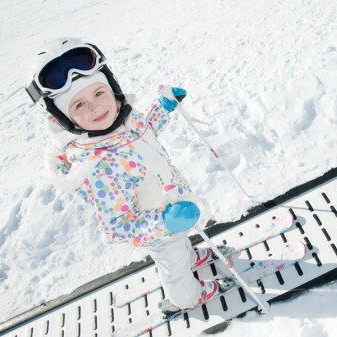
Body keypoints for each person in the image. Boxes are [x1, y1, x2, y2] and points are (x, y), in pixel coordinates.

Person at [25, 37, 232, 311]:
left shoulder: (125, 122)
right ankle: (187, 298)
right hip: (157, 227)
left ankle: (189, 255)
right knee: (173, 266)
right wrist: (165, 223)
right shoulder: (94, 166)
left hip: (174, 206)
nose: (97, 107)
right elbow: (120, 223)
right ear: (63, 118)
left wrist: (163, 106)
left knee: (180, 246)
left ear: (113, 88)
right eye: (79, 105)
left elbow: (146, 130)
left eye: (99, 93)